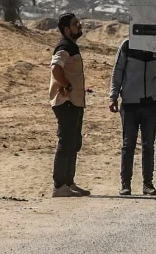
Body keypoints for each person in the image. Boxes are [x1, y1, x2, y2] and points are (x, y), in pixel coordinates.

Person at [109, 39, 156, 196]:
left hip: (151, 104)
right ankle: (125, 185)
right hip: (130, 104)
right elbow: (118, 71)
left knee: (148, 146)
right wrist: (113, 96)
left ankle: (147, 184)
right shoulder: (127, 46)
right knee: (128, 145)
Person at [49, 13, 90, 198]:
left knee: (74, 143)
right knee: (66, 143)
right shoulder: (64, 47)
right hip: (66, 102)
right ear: (67, 29)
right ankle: (59, 186)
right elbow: (56, 68)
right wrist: (66, 85)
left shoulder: (72, 47)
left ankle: (68, 182)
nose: (79, 26)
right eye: (75, 24)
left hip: (75, 102)